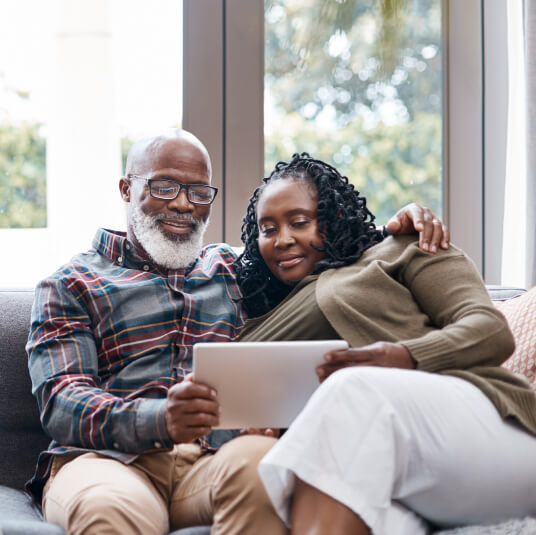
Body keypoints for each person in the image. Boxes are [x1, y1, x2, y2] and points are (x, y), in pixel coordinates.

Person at [26, 130, 449, 535]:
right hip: (109, 461)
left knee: (266, 467)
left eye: (198, 192)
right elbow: (62, 402)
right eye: (164, 187)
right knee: (109, 509)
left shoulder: (235, 269)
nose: (183, 205)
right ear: (126, 189)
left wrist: (398, 229)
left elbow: (323, 249)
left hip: (217, 458)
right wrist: (160, 420)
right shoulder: (71, 283)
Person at [235, 153, 536, 534]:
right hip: (385, 466)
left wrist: (406, 356)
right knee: (295, 478)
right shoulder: (262, 310)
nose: (283, 239)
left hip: (492, 431)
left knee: (351, 389)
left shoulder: (403, 247)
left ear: (334, 216)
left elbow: (490, 330)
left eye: (299, 222)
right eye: (267, 229)